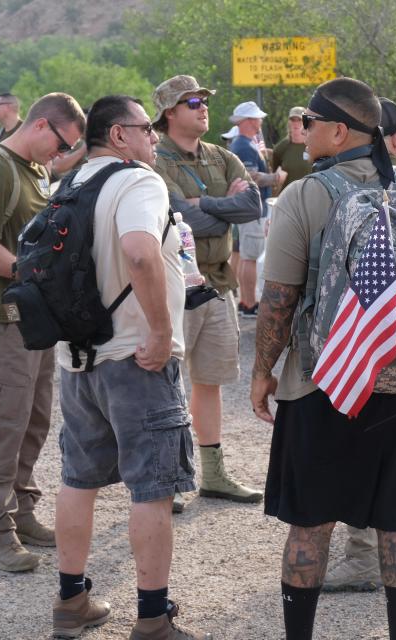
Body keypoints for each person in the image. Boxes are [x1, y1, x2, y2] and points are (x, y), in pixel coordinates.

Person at [250, 76, 396, 640]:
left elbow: (278, 298)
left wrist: (262, 372)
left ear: (340, 130)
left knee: (309, 526)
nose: (302, 132)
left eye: (311, 123)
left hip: (322, 384)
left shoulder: (303, 194)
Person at [50, 94, 209, 640]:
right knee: (153, 489)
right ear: (118, 135)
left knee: (78, 480)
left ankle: (71, 602)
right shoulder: (137, 181)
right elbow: (140, 252)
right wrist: (162, 333)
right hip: (137, 359)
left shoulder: (65, 185)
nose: (154, 138)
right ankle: (153, 618)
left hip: (78, 359)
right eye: (146, 128)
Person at [0, 92, 85, 571]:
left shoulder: (34, 169)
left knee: (33, 421)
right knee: (5, 425)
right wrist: (33, 275)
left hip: (33, 320)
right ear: (40, 125)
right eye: (60, 144)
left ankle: (23, 511)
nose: (60, 156)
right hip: (1, 318)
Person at [152, 75, 264, 513]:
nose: (203, 107)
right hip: (174, 286)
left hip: (218, 284)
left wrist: (204, 206)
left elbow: (252, 207)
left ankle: (213, 473)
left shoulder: (221, 155)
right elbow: (178, 218)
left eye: (204, 100)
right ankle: (171, 475)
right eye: (192, 101)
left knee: (210, 380)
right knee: (167, 381)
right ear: (169, 113)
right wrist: (219, 209)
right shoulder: (155, 161)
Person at [319, 96, 396, 595]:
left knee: (370, 477)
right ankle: (366, 560)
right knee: (386, 482)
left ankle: (366, 561)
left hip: (366, 361)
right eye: (391, 132)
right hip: (384, 361)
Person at [229, 101, 286, 317]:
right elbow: (251, 177)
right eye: (257, 118)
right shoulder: (243, 145)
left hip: (250, 208)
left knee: (247, 256)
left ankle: (246, 301)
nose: (260, 122)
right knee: (250, 256)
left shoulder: (242, 144)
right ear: (250, 121)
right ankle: (249, 303)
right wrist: (276, 178)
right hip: (252, 208)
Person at [272, 106, 313, 189]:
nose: (296, 123)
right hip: (287, 198)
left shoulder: (314, 145)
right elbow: (273, 174)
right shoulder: (281, 148)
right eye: (293, 120)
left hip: (309, 196)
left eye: (300, 120)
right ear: (289, 122)